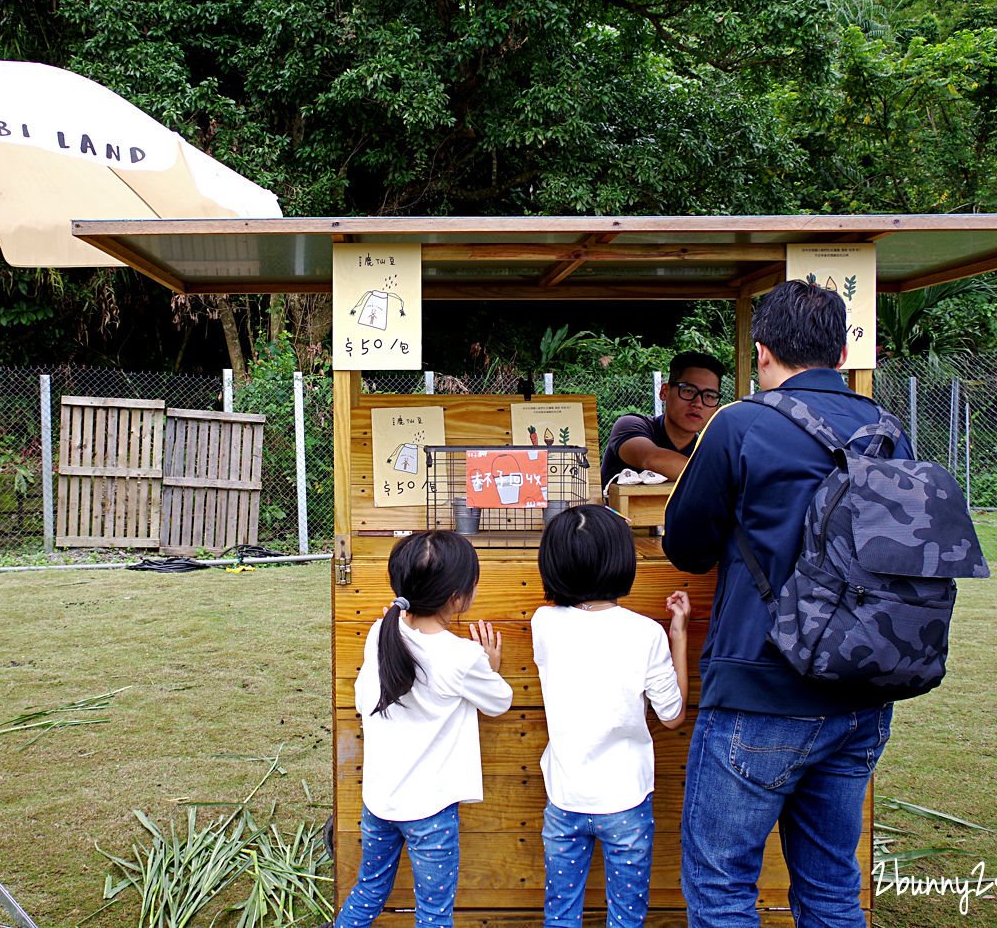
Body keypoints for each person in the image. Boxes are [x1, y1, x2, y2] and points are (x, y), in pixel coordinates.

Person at [662, 280, 911, 928]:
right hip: (861, 694)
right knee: (831, 889)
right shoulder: (888, 430)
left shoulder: (740, 423)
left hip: (761, 689)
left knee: (722, 890)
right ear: (839, 349)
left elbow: (687, 544)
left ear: (763, 350)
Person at [334, 530, 513, 928]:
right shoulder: (462, 656)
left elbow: (365, 699)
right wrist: (491, 665)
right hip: (430, 813)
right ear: (457, 597)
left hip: (379, 802)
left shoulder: (382, 631)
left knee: (368, 890)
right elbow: (500, 702)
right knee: (433, 913)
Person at [532, 504, 691, 928]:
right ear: (624, 561)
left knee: (561, 916)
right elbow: (673, 715)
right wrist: (679, 634)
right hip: (626, 800)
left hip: (565, 798)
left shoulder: (543, 622)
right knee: (626, 918)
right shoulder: (645, 633)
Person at [599, 351, 727, 487]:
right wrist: (723, 479)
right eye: (688, 391)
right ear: (664, 392)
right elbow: (652, 459)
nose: (698, 403)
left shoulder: (705, 451)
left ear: (716, 407)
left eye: (709, 396)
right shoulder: (631, 425)